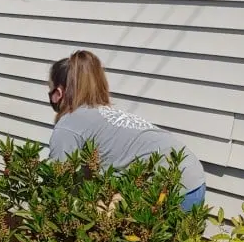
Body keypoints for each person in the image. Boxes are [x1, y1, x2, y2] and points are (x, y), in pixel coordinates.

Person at [47, 50, 207, 211]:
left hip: (173, 187)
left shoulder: (68, 124)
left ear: (58, 93)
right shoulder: (102, 113)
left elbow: (58, 184)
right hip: (193, 178)